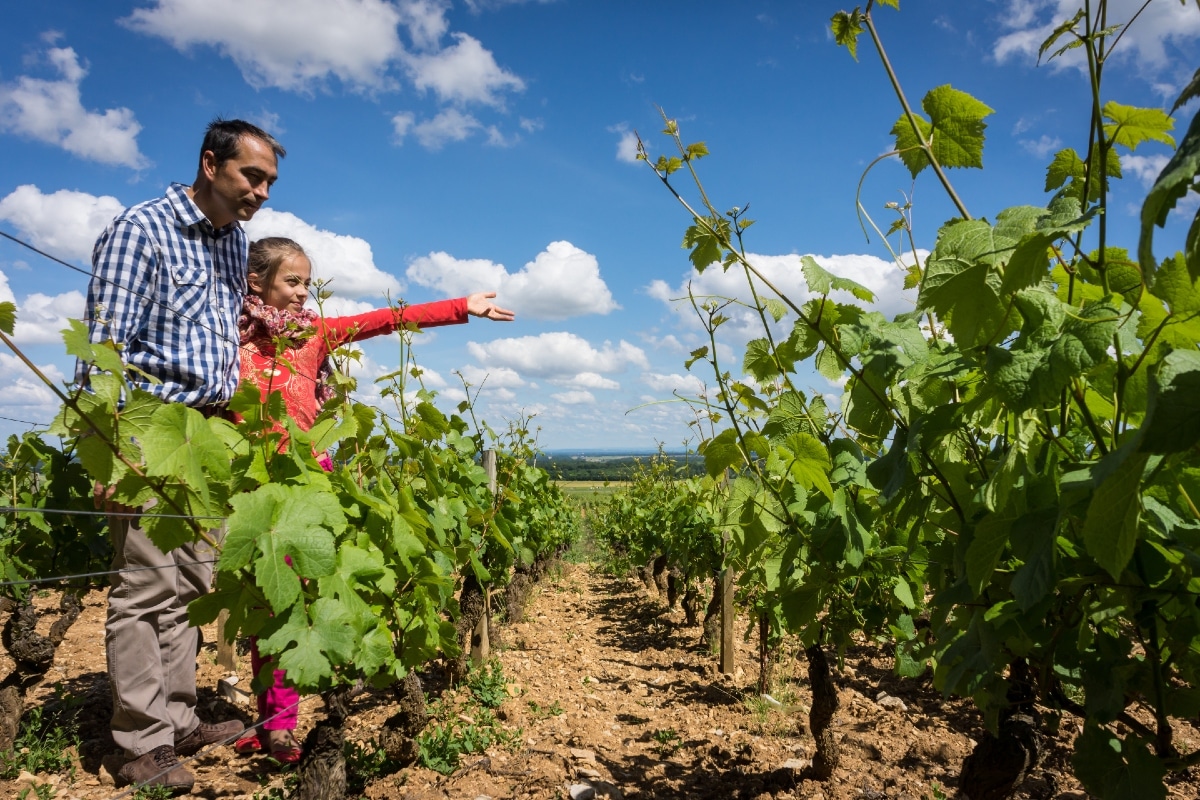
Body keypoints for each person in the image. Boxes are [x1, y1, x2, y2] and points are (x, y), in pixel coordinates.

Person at [229, 236, 513, 763]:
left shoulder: (312, 335)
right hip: (250, 492)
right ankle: (275, 723)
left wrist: (460, 308)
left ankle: (291, 714)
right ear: (255, 282)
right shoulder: (226, 340)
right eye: (292, 282)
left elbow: (384, 320)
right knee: (270, 607)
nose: (302, 294)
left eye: (307, 284)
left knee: (307, 601)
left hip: (313, 485)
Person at [79, 119, 286, 794]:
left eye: (268, 183)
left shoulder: (236, 244)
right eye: (251, 176)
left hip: (208, 434)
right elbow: (103, 347)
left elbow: (212, 332)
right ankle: (141, 744)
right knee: (144, 588)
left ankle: (176, 716)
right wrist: (112, 455)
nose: (259, 191)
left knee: (193, 582)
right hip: (147, 426)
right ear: (210, 162)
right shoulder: (140, 229)